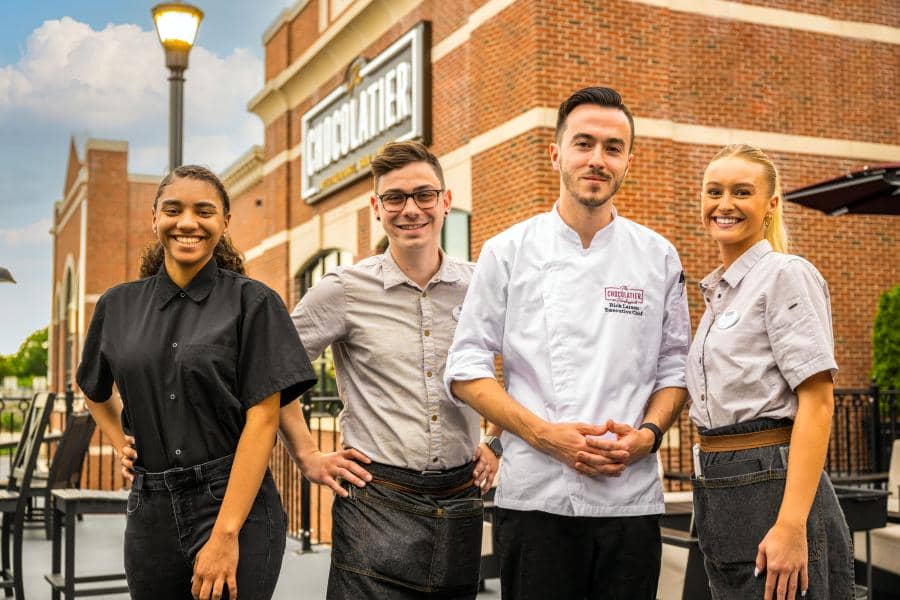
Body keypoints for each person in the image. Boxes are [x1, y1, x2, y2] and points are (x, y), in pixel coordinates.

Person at [445, 86, 691, 600]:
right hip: (535, 499)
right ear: (556, 153)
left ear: (628, 161)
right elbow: (466, 367)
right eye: (584, 143)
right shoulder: (508, 251)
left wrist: (646, 436)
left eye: (613, 148)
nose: (597, 159)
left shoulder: (658, 257)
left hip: (631, 503)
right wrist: (544, 436)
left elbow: (675, 368)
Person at [77, 165, 317, 600]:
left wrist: (226, 535)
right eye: (173, 209)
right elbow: (94, 392)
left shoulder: (254, 303)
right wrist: (119, 441)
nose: (187, 222)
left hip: (233, 503)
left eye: (204, 211)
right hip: (150, 508)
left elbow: (262, 422)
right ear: (155, 218)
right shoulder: (117, 305)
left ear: (224, 223)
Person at [280, 140, 500, 599]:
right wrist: (306, 456)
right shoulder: (343, 289)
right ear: (377, 208)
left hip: (460, 497)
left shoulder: (480, 285)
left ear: (445, 200)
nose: (411, 210)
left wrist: (498, 439)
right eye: (395, 198)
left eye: (423, 194)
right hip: (374, 501)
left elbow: (524, 363)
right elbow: (271, 371)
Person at [687, 144, 852, 600]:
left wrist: (792, 524)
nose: (724, 204)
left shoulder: (784, 275)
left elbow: (818, 404)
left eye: (742, 192)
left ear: (771, 204)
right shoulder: (720, 295)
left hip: (772, 485)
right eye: (714, 191)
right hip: (720, 488)